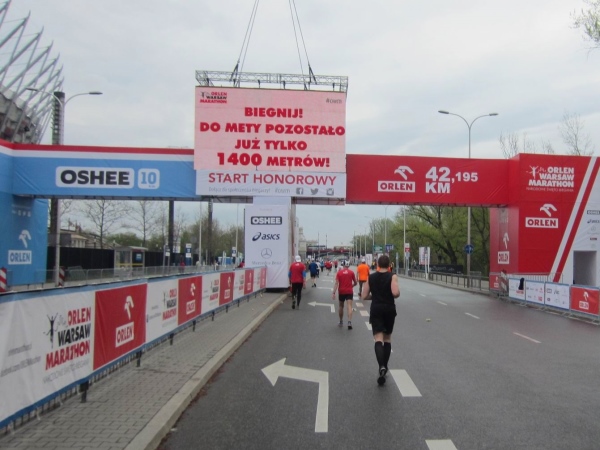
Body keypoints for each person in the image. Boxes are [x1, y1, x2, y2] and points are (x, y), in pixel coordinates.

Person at [361, 254, 400, 386]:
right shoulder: (392, 276)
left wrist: (375, 296)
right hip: (389, 308)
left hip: (376, 309)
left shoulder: (371, 277)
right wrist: (395, 293)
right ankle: (385, 366)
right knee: (387, 338)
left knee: (378, 338)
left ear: (377, 264)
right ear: (389, 265)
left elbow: (364, 296)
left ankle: (381, 366)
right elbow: (395, 293)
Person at [332, 261, 357, 329]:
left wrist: (334, 293)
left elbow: (336, 284)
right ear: (348, 266)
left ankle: (341, 322)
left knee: (341, 306)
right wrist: (351, 286)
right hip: (349, 291)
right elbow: (355, 283)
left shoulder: (339, 273)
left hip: (341, 291)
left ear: (343, 265)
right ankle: (349, 322)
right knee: (349, 306)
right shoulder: (351, 272)